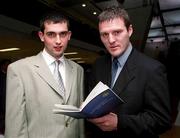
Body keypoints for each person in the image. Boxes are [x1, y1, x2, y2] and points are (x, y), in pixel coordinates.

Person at [86, 6, 171, 138]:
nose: (111, 40)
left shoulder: (152, 69)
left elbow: (162, 120)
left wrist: (119, 122)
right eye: (104, 34)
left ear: (130, 30)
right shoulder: (98, 64)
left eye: (117, 32)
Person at [5, 11, 84, 138]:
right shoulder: (19, 70)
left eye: (62, 34)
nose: (58, 41)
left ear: (69, 35)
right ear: (41, 36)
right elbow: (15, 127)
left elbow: (79, 118)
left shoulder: (77, 69)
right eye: (51, 34)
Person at [0, 59, 11, 136]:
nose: (8, 66)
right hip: (2, 103)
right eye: (7, 65)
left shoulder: (10, 75)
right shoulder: (1, 76)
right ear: (3, 65)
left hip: (8, 102)